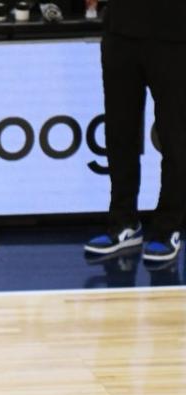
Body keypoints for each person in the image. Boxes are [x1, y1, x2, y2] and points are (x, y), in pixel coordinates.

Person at [83, 0, 185, 266]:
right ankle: (123, 223)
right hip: (121, 30)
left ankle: (168, 228)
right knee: (119, 131)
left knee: (174, 136)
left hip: (175, 34)